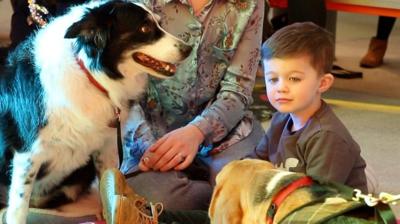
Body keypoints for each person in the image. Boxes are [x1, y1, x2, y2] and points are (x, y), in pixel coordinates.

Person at [120, 0, 266, 211]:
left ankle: (216, 194)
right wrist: (151, 149)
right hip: (149, 135)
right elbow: (119, 84)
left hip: (224, 130)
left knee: (248, 189)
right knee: (161, 201)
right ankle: (215, 197)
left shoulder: (251, 3)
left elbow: (238, 89)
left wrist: (198, 131)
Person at [249, 21, 368, 192]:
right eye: (273, 79)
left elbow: (314, 201)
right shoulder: (280, 119)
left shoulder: (327, 137)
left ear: (323, 83)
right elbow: (254, 162)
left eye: (294, 79)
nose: (281, 88)